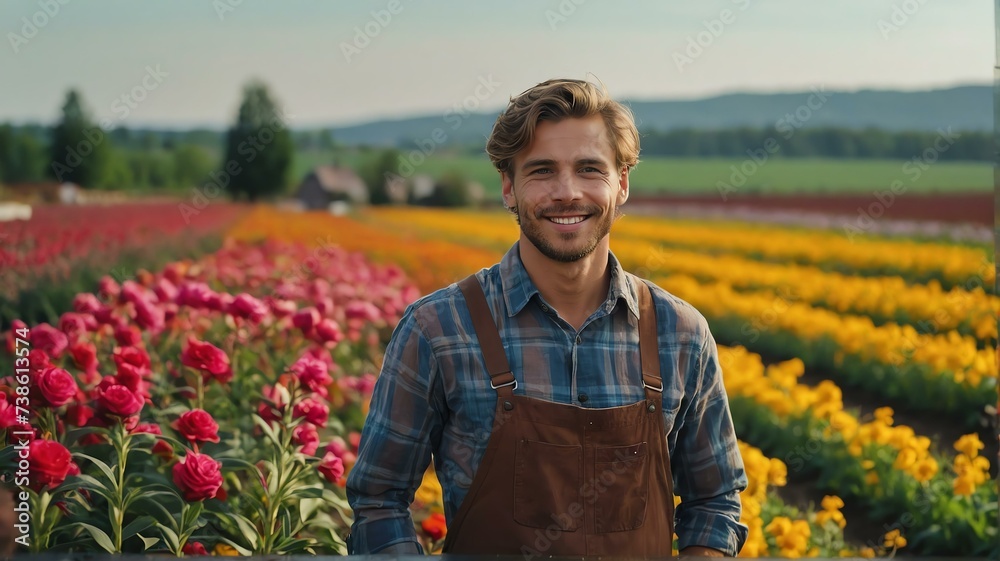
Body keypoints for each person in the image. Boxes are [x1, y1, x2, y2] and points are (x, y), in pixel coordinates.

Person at [346, 78, 748, 557]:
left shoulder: (681, 334)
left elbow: (714, 501)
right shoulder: (439, 329)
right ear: (508, 188)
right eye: (541, 171)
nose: (567, 192)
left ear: (621, 183)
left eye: (588, 169)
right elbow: (380, 500)